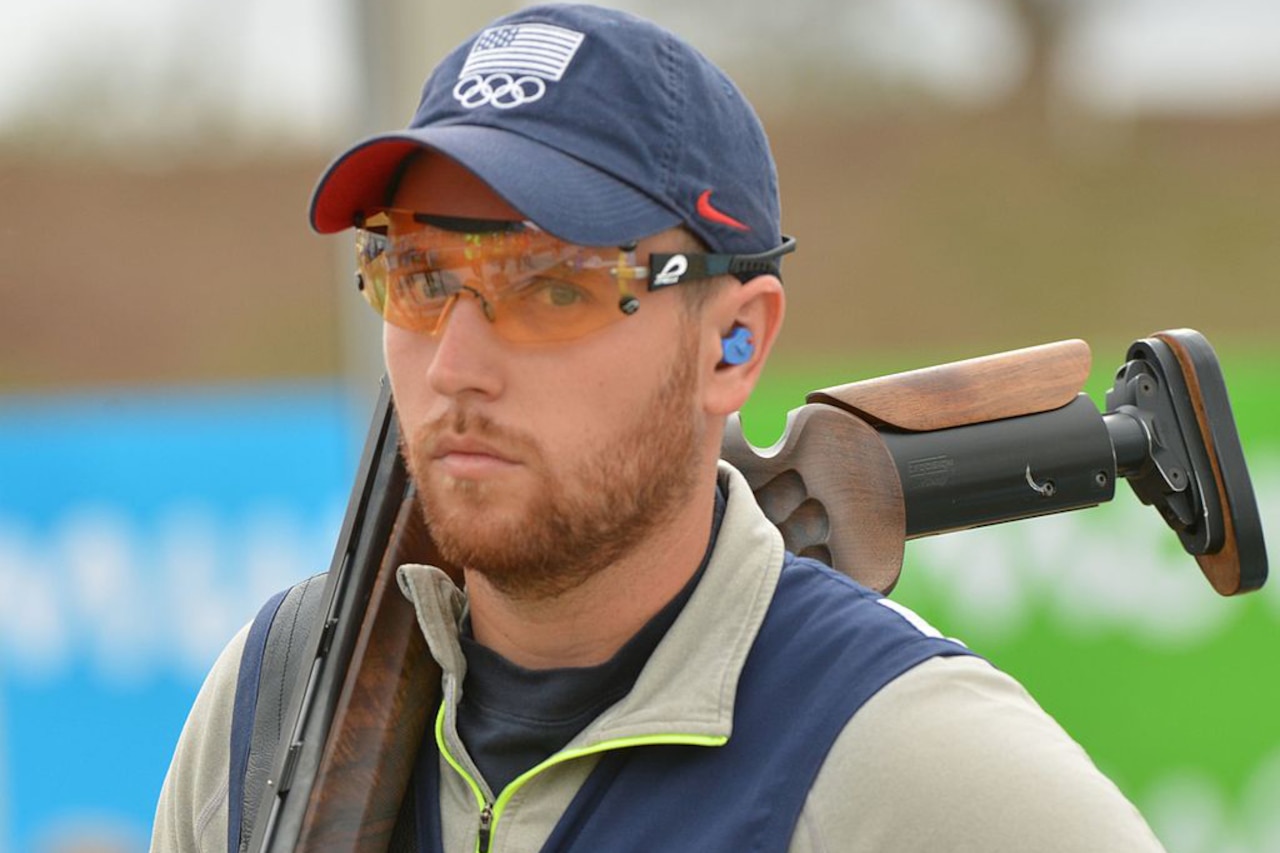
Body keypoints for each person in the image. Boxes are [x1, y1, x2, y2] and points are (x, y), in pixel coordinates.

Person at [152, 4, 1166, 851]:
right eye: (417, 279)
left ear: (733, 345)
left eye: (551, 289)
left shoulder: (905, 757)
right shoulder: (268, 704)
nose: (453, 366)